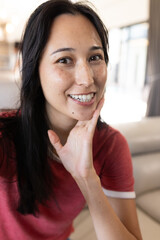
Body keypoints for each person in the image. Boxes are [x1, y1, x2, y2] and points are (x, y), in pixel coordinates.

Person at [0, 0, 142, 239]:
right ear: (35, 71)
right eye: (64, 60)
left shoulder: (110, 146)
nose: (86, 79)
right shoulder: (5, 136)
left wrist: (86, 177)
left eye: (95, 57)